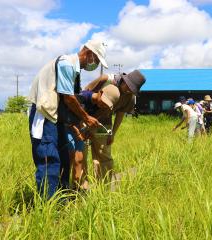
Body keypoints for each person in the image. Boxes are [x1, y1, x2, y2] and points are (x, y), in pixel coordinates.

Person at [28, 39, 108, 198]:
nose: (95, 65)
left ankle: (62, 200)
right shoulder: (66, 64)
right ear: (90, 54)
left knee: (64, 159)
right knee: (50, 161)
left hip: (57, 118)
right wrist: (87, 118)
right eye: (97, 60)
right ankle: (48, 206)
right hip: (45, 115)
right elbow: (68, 98)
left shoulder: (75, 71)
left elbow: (75, 100)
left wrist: (79, 124)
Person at [82, 70, 146, 186]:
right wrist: (83, 119)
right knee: (82, 152)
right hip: (85, 118)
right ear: (125, 80)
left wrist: (112, 133)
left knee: (104, 154)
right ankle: (82, 186)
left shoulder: (130, 97)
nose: (128, 90)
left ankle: (103, 186)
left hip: (104, 123)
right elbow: (84, 94)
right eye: (128, 87)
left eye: (132, 90)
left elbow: (120, 115)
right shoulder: (105, 80)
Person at [63, 85, 119, 191]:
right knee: (69, 159)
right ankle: (63, 187)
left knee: (79, 159)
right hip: (69, 128)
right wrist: (78, 131)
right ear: (100, 92)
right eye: (104, 101)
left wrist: (86, 131)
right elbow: (67, 115)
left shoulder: (100, 107)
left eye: (106, 104)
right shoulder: (82, 97)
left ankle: (77, 190)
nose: (103, 105)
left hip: (80, 130)